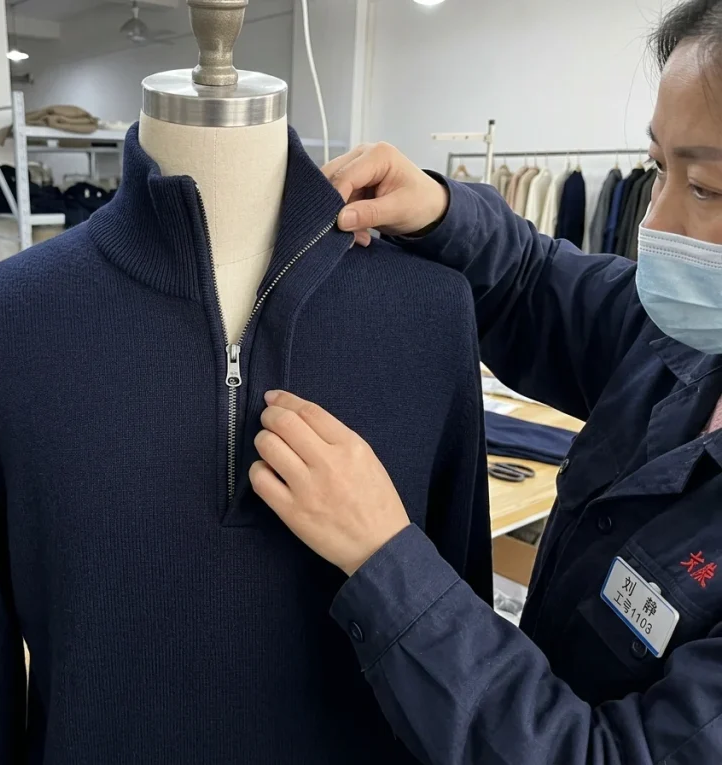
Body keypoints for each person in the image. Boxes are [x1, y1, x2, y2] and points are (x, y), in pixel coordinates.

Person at [248, 2, 722, 763]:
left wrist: (386, 559)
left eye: (705, 188)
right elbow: (538, 281)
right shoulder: (687, 343)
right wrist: (439, 211)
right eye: (658, 169)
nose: (656, 224)